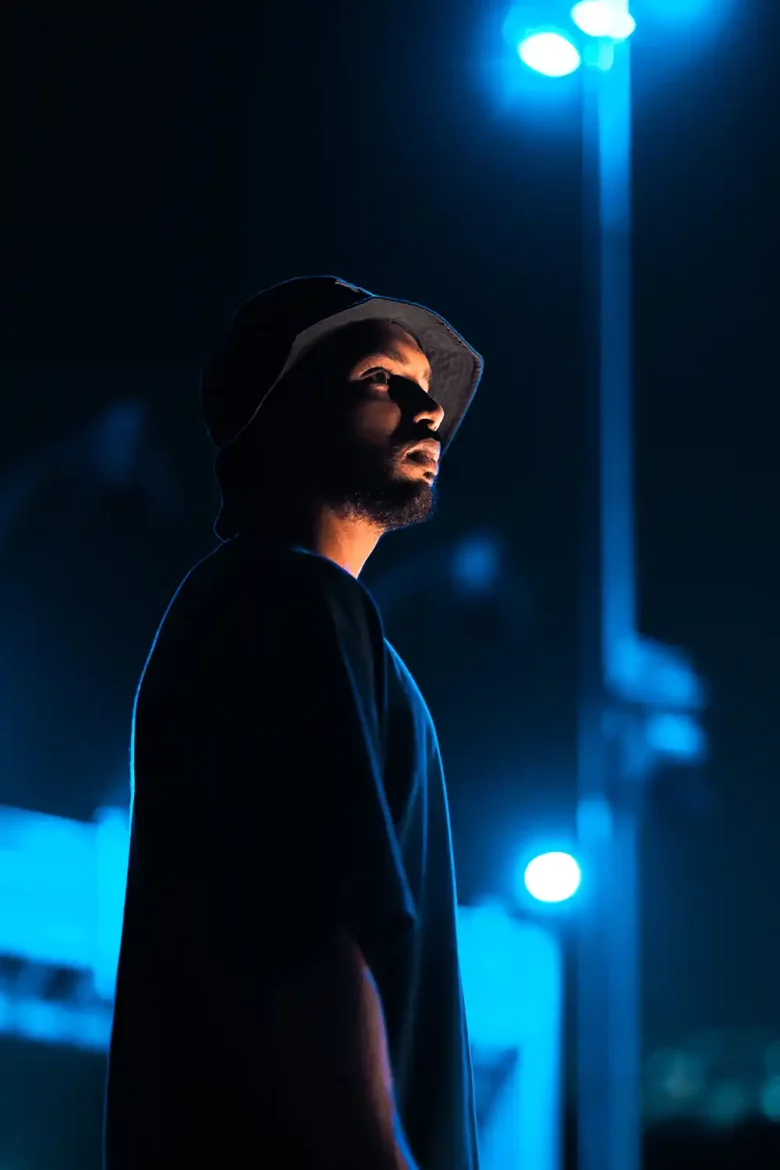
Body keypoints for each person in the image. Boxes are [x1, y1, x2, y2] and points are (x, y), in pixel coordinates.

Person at [103, 275, 484, 1170]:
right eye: (382, 380)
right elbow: (314, 942)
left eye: (429, 390)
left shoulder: (259, 611)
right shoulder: (286, 599)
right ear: (277, 410)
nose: (428, 412)